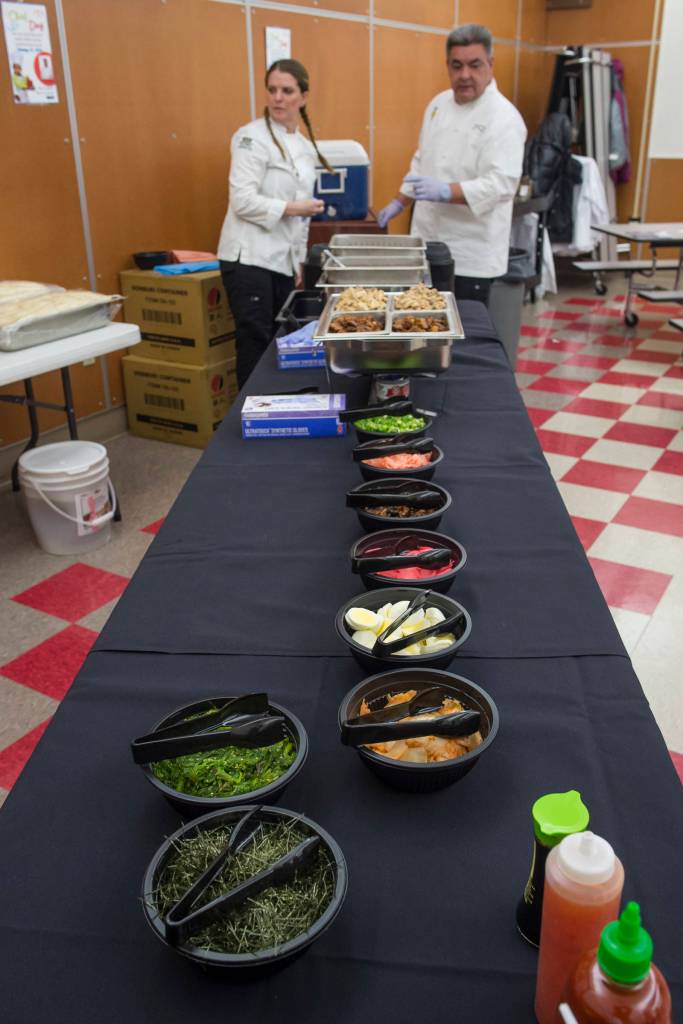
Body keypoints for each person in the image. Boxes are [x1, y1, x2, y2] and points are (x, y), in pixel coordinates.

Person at [378, 24, 526, 306]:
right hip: (425, 246)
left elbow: (502, 185)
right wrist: (399, 202)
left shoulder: (504, 118)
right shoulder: (437, 105)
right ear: (447, 66)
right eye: (456, 66)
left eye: (474, 65)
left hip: (470, 255)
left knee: (463, 340)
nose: (465, 75)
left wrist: (448, 191)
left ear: (491, 65)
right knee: (421, 329)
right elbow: (422, 161)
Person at [217, 59, 331, 388]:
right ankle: (250, 414)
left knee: (279, 339)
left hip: (281, 261)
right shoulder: (250, 138)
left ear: (304, 97)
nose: (278, 98)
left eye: (287, 91)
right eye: (272, 90)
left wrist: (297, 260)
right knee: (254, 340)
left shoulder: (305, 147)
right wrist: (293, 207)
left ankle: (274, 407)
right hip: (248, 257)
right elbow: (242, 201)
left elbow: (303, 217)